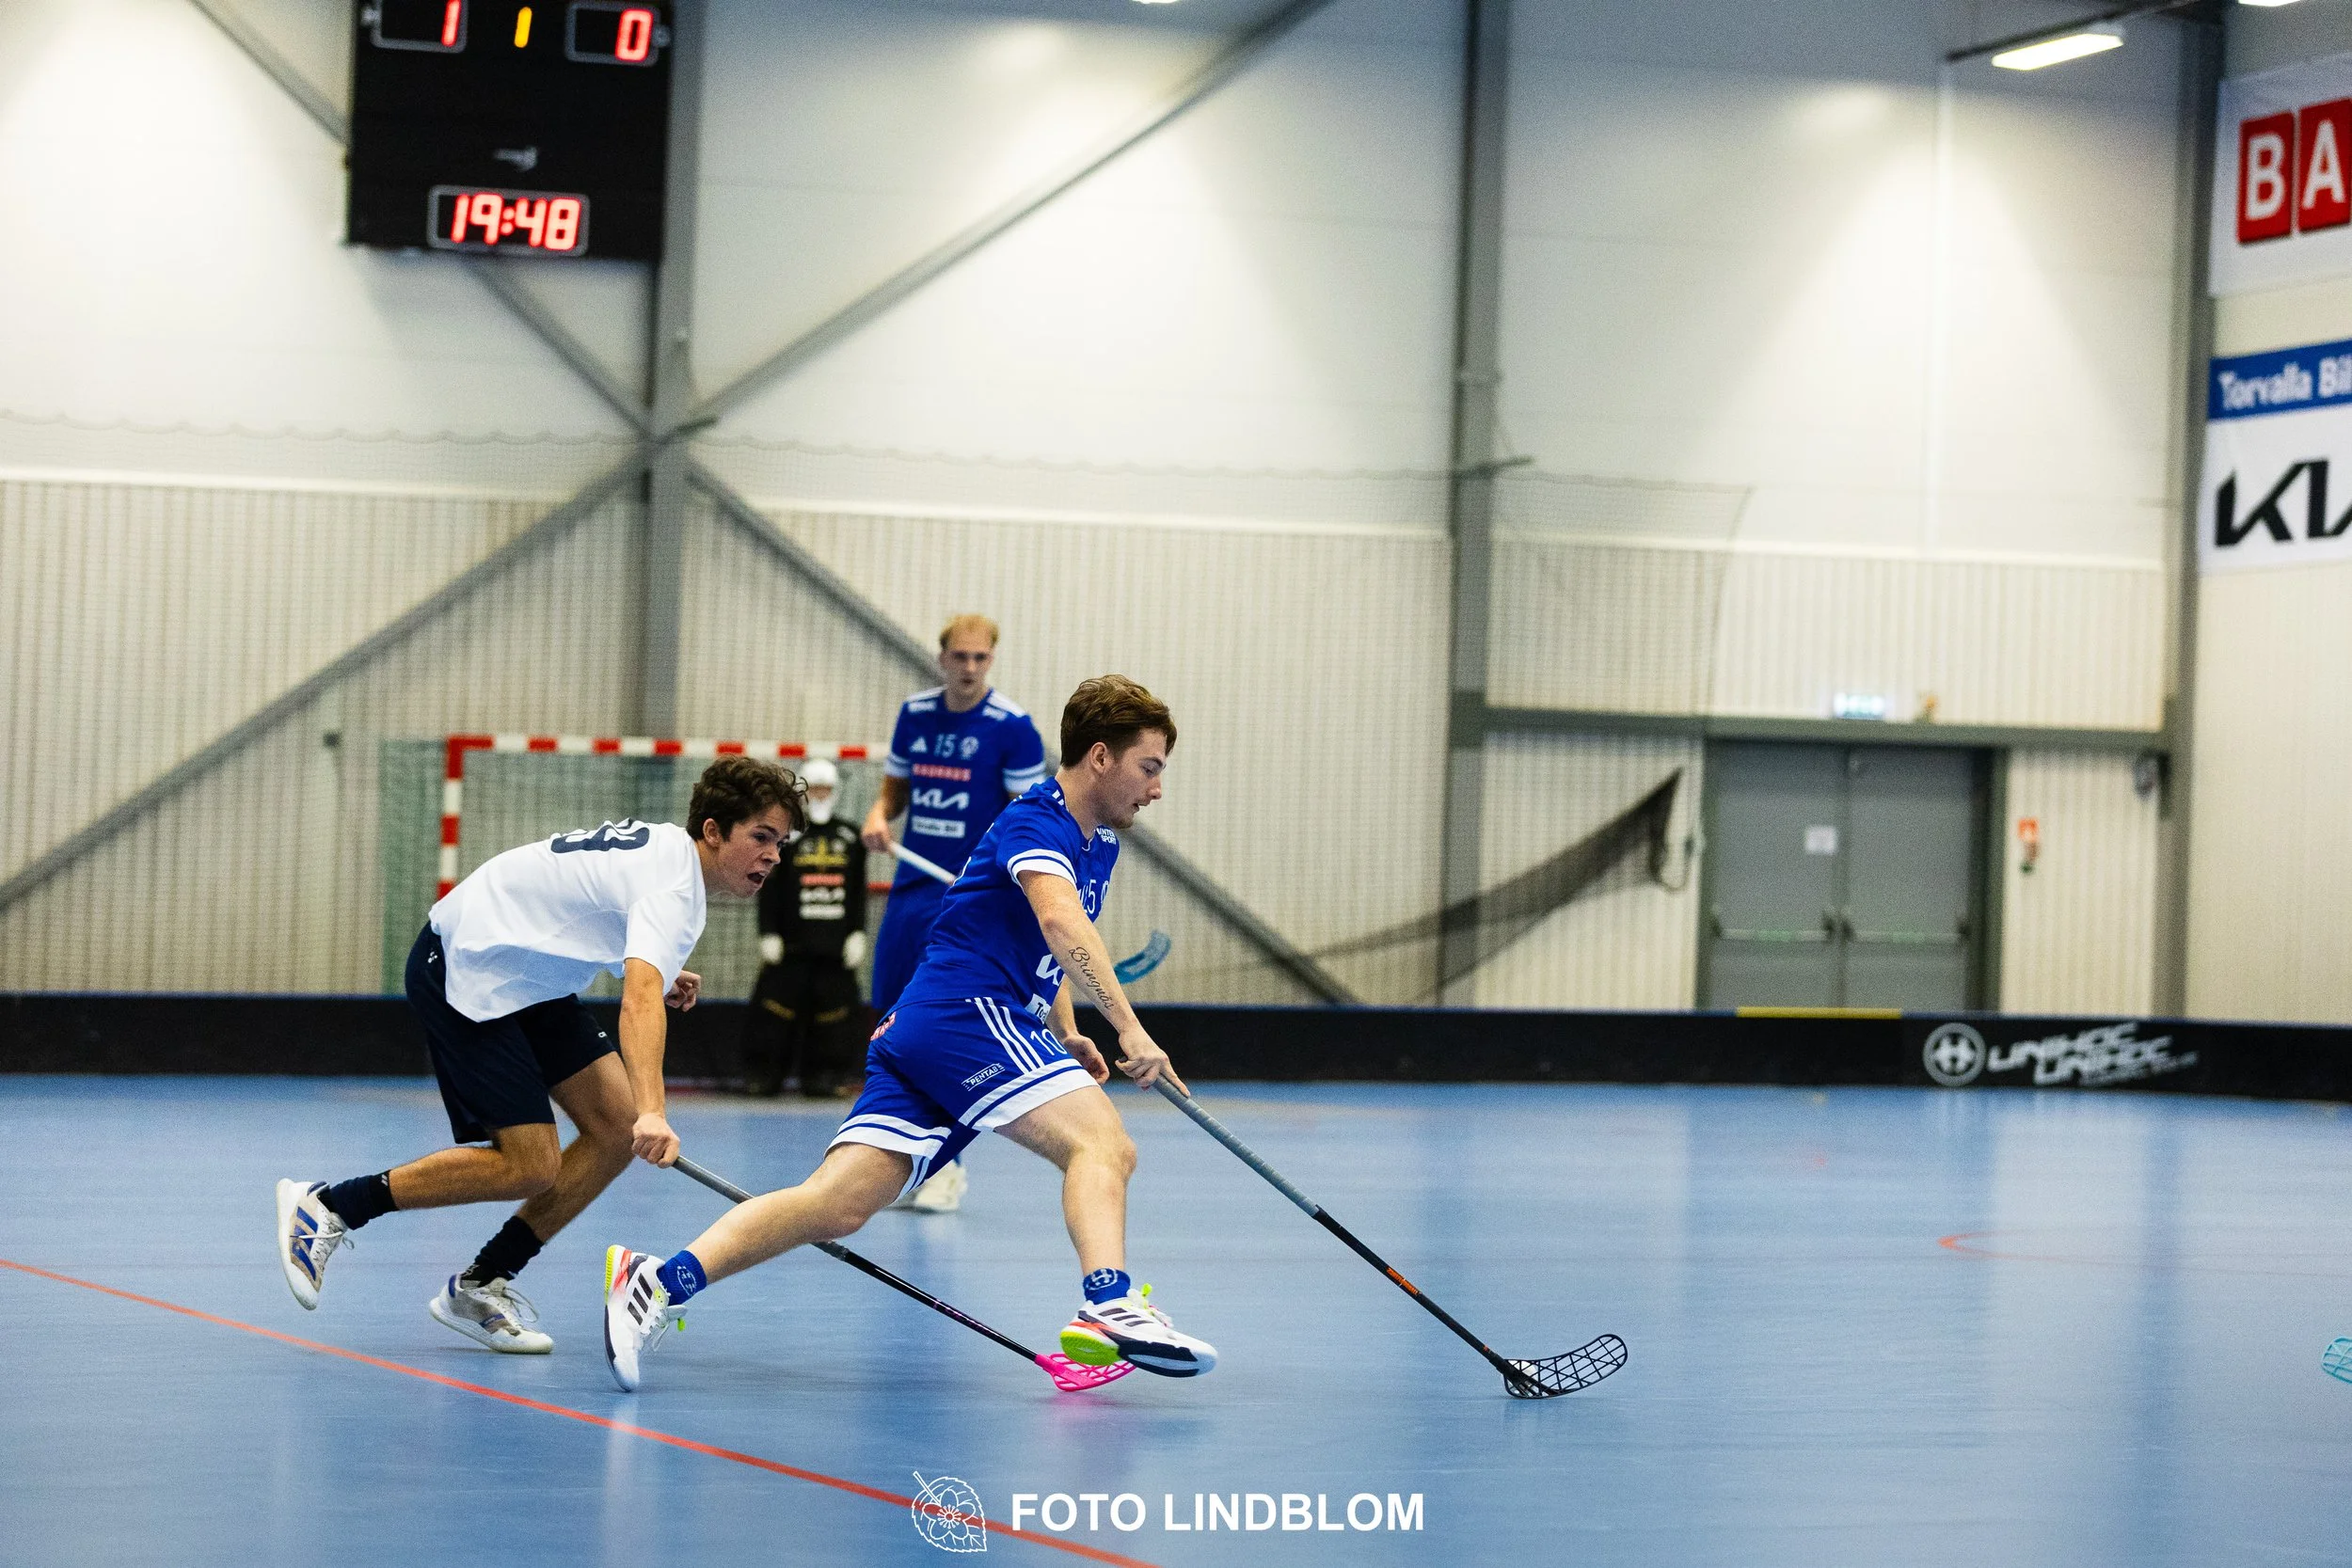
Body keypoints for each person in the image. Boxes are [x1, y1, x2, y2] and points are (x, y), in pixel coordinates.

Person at [600, 676, 1216, 1390]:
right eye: (1150, 767)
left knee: (837, 1202)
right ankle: (1109, 1304)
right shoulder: (1036, 822)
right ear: (1101, 757)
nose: (1157, 788)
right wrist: (1131, 1030)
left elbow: (1044, 948)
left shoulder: (1098, 844)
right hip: (966, 1016)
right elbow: (1059, 920)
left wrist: (1068, 1029)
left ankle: (656, 1280)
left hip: (935, 1025)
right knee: (1103, 1143)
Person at [275, 757, 805, 1354]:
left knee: (615, 1128)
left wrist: (656, 970)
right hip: (468, 966)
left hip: (528, 976)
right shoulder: (675, 887)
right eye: (761, 837)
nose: (773, 856)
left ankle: (479, 1283)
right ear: (713, 831)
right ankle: (329, 1206)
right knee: (530, 1165)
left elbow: (583, 904)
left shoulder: (668, 857)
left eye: (780, 844)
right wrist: (655, 1111)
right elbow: (638, 1004)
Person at [862, 612, 1047, 1212]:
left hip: (971, 898)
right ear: (942, 657)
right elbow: (895, 789)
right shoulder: (915, 714)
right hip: (915, 884)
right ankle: (903, 1160)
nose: (969, 668)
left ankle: (946, 1167)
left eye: (980, 658)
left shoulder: (1013, 726)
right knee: (891, 1013)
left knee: (944, 1025)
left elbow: (1029, 815)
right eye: (959, 657)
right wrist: (879, 816)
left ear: (991, 660)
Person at [737, 757, 868, 1098]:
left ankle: (826, 1077)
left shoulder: (850, 836)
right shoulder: (786, 837)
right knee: (773, 1014)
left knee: (834, 1016)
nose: (821, 795)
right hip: (791, 945)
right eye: (815, 789)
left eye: (826, 789)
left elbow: (858, 889)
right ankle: (764, 1076)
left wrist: (858, 932)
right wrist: (768, 932)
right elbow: (769, 884)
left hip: (834, 947)